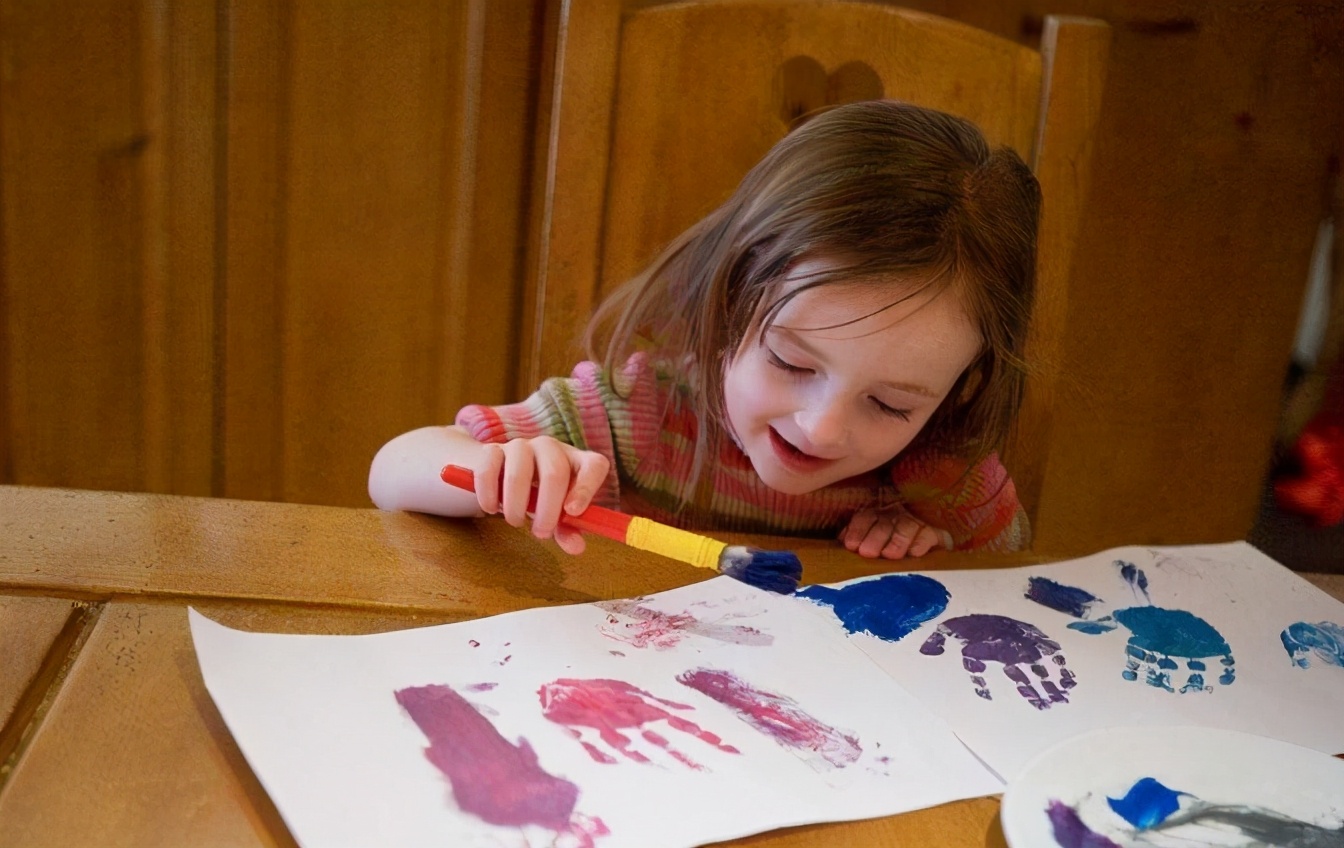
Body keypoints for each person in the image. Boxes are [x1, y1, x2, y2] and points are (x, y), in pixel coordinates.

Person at [369, 99, 1039, 560]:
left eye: (891, 404)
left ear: (963, 384)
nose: (823, 429)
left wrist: (936, 543)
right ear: (729, 299)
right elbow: (390, 470)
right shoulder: (635, 420)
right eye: (790, 362)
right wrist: (498, 469)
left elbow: (1010, 581)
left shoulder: (942, 475)